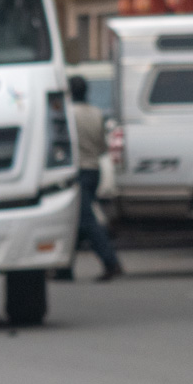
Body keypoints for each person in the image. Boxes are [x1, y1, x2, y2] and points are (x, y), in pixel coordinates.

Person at [67, 75, 124, 281]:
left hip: (77, 171)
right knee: (75, 217)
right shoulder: (96, 113)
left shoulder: (68, 115)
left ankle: (111, 262)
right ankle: (64, 267)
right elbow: (102, 147)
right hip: (94, 169)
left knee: (85, 219)